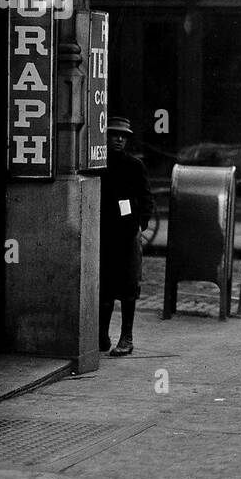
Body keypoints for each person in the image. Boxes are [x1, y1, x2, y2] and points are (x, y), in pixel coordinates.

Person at [99, 116, 154, 357]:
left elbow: (146, 198)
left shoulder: (134, 165)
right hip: (104, 234)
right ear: (106, 137)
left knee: (129, 286)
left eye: (123, 136)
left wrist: (139, 225)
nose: (119, 139)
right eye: (114, 135)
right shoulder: (98, 165)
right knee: (105, 287)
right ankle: (101, 335)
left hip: (128, 234)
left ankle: (126, 337)